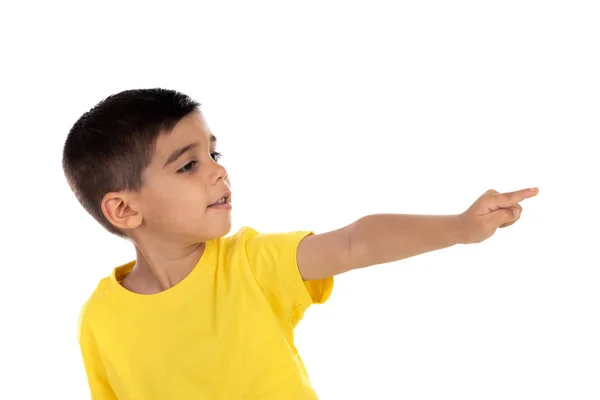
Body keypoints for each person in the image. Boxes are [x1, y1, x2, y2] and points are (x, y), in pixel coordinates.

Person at [62, 88, 539, 399]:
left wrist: (459, 227)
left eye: (214, 153)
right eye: (187, 165)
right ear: (124, 209)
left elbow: (355, 242)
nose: (218, 170)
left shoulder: (249, 264)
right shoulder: (101, 320)